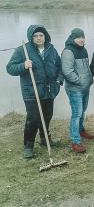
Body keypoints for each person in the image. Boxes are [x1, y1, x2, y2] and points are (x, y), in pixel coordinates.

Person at [6, 25, 63, 159]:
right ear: (31, 37)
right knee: (33, 119)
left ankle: (45, 139)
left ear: (45, 36)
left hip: (49, 90)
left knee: (47, 115)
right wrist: (23, 66)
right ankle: (28, 146)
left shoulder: (51, 49)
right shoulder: (23, 50)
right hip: (32, 92)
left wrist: (59, 80)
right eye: (35, 36)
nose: (38, 38)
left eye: (41, 35)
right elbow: (10, 68)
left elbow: (59, 67)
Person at [61, 28, 94, 153]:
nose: (81, 39)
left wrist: (89, 81)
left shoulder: (83, 49)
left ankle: (81, 130)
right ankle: (75, 141)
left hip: (85, 87)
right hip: (75, 89)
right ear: (72, 38)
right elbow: (67, 71)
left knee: (83, 111)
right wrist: (80, 81)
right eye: (78, 37)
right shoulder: (68, 51)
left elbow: (86, 68)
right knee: (76, 114)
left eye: (82, 37)